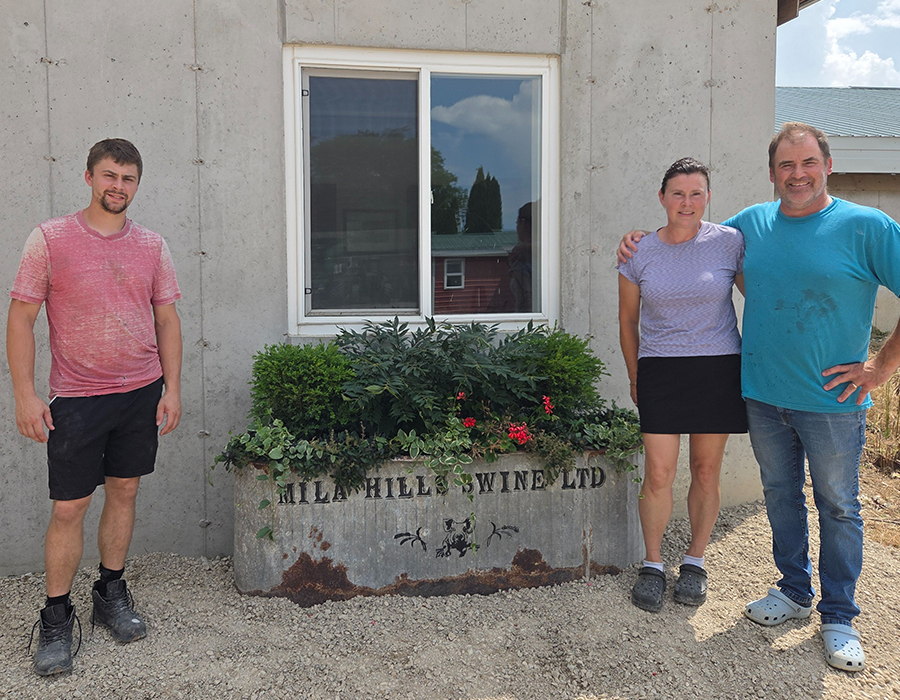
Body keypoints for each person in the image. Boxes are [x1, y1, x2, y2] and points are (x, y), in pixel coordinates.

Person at [617, 122, 900, 672]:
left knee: (839, 506)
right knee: (780, 496)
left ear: (828, 165)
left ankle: (839, 616)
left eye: (808, 163)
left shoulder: (866, 226)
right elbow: (688, 251)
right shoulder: (749, 226)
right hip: (764, 394)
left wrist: (879, 367)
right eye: (786, 166)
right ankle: (794, 591)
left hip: (833, 399)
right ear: (772, 174)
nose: (798, 175)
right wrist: (637, 241)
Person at [7, 138, 183, 676]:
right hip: (78, 399)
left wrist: (172, 388)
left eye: (128, 179)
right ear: (88, 177)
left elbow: (168, 321)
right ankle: (57, 616)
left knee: (125, 491)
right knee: (69, 507)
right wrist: (24, 393)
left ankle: (110, 591)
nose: (118, 187)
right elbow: (20, 318)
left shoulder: (152, 245)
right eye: (109, 176)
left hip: (139, 392)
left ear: (137, 184)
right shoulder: (51, 239)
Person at [617, 157, 746, 614]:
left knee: (707, 472)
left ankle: (695, 560)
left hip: (717, 368)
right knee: (658, 474)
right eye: (678, 193)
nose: (686, 202)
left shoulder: (730, 242)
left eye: (696, 193)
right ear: (662, 198)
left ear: (708, 198)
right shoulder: (638, 252)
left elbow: (764, 294)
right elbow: (628, 321)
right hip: (661, 371)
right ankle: (653, 564)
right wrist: (635, 375)